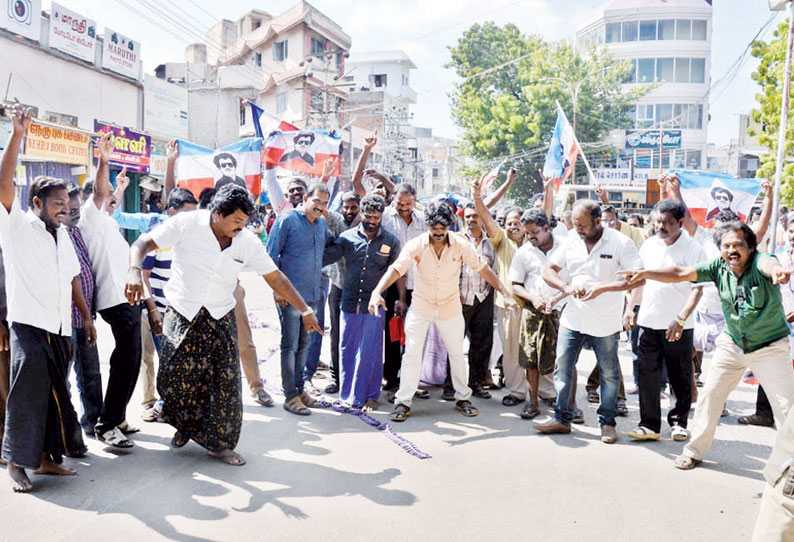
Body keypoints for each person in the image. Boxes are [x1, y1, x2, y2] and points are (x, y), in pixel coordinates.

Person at [126, 184, 321, 465]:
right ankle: (185, 427)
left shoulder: (247, 241)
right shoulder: (186, 223)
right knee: (175, 382)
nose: (241, 227)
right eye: (237, 221)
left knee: (225, 385)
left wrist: (304, 309)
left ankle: (220, 445)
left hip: (220, 314)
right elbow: (142, 244)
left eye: (245, 222)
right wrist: (134, 270)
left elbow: (275, 277)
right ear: (217, 213)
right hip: (183, 312)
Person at [619, 221, 794, 469]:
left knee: (787, 408)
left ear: (751, 247)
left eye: (738, 245)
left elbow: (770, 264)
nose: (732, 250)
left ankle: (790, 464)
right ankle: (694, 451)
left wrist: (776, 270)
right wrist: (647, 274)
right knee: (709, 397)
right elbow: (680, 273)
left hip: (770, 347)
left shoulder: (761, 261)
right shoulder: (718, 266)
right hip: (732, 344)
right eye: (726, 246)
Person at [0, 104, 93, 492]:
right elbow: (4, 185)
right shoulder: (17, 227)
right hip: (28, 324)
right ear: (36, 204)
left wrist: (86, 318)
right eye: (56, 205)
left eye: (65, 206)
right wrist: (17, 134)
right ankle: (15, 464)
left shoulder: (64, 236)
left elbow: (72, 278)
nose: (63, 210)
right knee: (27, 395)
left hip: (60, 326)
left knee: (57, 392)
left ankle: (44, 459)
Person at [368, 202, 519, 422]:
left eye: (443, 228)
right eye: (434, 229)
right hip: (421, 306)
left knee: (457, 354)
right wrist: (377, 291)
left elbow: (483, 268)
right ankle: (403, 402)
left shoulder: (460, 244)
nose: (438, 233)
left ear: (450, 226)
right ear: (428, 226)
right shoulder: (416, 244)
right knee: (411, 354)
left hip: (450, 307)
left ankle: (463, 398)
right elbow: (397, 268)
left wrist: (505, 292)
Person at [537, 200, 643, 444]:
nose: (578, 230)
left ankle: (607, 423)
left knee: (609, 373)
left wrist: (602, 288)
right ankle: (562, 418)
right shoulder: (571, 241)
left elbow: (638, 278)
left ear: (598, 221)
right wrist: (565, 286)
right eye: (574, 225)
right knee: (562, 367)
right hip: (573, 317)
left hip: (605, 321)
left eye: (583, 225)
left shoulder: (620, 242)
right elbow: (548, 270)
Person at [79, 139, 144, 448]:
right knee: (125, 360)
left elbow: (109, 199)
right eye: (108, 196)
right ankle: (107, 424)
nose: (112, 200)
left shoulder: (106, 219)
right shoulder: (88, 219)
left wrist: (120, 186)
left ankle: (115, 417)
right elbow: (98, 194)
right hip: (114, 300)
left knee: (131, 360)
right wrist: (104, 160)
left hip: (130, 298)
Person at [623, 200, 705, 442]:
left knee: (680, 375)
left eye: (668, 222)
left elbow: (697, 290)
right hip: (648, 321)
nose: (661, 226)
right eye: (658, 221)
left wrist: (680, 319)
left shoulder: (693, 249)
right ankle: (649, 425)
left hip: (679, 325)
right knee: (647, 373)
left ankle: (679, 422)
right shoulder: (649, 245)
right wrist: (630, 308)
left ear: (680, 222)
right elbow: (640, 279)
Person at [323, 194, 400, 409]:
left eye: (376, 217)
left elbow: (397, 272)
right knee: (347, 347)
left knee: (371, 350)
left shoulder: (391, 242)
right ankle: (348, 396)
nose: (372, 221)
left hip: (375, 304)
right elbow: (325, 256)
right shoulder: (347, 237)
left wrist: (401, 298)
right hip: (349, 301)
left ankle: (371, 396)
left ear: (381, 216)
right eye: (368, 216)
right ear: (361, 214)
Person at [267, 182, 330, 415]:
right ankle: (290, 396)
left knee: (305, 345)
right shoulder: (287, 220)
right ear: (305, 198)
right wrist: (276, 289)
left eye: (324, 203)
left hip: (313, 295)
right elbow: (270, 256)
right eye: (316, 202)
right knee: (290, 345)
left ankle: (300, 388)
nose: (320, 207)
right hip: (290, 296)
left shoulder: (322, 223)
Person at [471, 171, 527, 408]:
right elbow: (485, 216)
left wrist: (547, 189)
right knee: (511, 352)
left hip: (534, 306)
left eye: (518, 222)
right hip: (508, 306)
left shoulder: (536, 243)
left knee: (537, 352)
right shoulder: (502, 241)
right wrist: (476, 197)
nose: (514, 226)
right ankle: (517, 390)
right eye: (509, 223)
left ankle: (545, 392)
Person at [509, 208, 567, 419]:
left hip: (563, 310)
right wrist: (533, 299)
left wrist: (557, 299)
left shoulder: (566, 247)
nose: (530, 237)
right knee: (530, 358)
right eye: (528, 233)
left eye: (534, 232)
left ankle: (569, 405)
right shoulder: (523, 252)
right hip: (533, 311)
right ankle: (532, 403)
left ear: (547, 228)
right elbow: (515, 285)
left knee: (566, 359)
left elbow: (573, 280)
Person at [440, 202, 497, 401]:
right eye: (469, 216)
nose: (472, 220)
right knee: (454, 343)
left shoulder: (492, 242)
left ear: (483, 218)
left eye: (476, 216)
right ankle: (450, 386)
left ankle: (476, 383)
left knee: (481, 343)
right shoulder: (455, 239)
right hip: (459, 297)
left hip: (484, 297)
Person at [64, 184, 103, 436]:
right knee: (63, 376)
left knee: (90, 372)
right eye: (71, 209)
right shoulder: (55, 235)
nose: (76, 212)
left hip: (85, 316)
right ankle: (67, 430)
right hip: (66, 319)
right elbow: (71, 279)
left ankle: (92, 421)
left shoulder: (76, 232)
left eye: (78, 207)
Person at [379, 183, 422, 395]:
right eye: (400, 203)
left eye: (408, 203)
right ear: (392, 200)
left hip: (419, 284)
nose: (404, 207)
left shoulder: (423, 221)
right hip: (392, 284)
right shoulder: (385, 216)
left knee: (415, 334)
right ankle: (390, 376)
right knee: (393, 333)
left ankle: (411, 379)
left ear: (415, 200)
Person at [324, 191, 361, 394]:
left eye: (353, 207)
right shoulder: (337, 221)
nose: (349, 211)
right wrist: (326, 177)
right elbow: (321, 208)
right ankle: (336, 377)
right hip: (338, 285)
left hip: (361, 289)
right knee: (336, 333)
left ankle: (356, 376)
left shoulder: (367, 223)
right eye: (346, 207)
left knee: (358, 335)